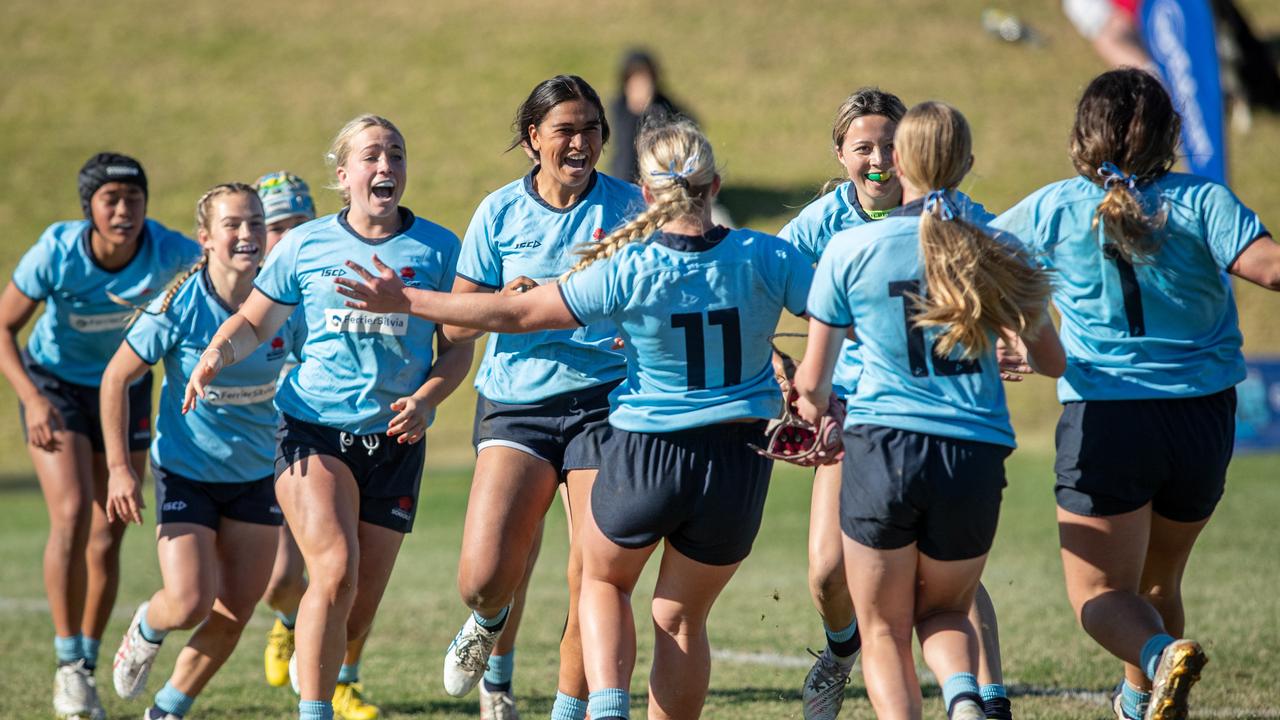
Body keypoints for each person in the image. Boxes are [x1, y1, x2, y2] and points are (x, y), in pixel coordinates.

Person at [334, 112, 815, 720]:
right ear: (715, 185)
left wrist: (404, 298)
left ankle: (597, 709)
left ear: (643, 194)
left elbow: (518, 316)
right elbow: (839, 309)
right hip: (736, 466)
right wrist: (815, 385)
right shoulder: (767, 254)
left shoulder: (629, 268)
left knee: (601, 582)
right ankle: (547, 678)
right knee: (681, 617)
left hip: (647, 449)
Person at [992, 68, 1280, 720]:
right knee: (1157, 582)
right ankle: (1139, 702)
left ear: (1082, 135)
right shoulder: (1203, 200)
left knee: (1098, 595)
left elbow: (961, 258)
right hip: (1203, 422)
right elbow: (1271, 268)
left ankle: (1155, 663)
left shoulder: (1054, 205)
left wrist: (1007, 331)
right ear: (1169, 133)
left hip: (1108, 419)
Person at [184, 114, 472, 720]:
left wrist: (425, 401)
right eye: (370, 156)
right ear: (344, 176)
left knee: (356, 609)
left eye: (395, 153)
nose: (385, 165)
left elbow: (458, 346)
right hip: (314, 429)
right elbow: (256, 321)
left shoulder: (441, 248)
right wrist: (217, 352)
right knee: (335, 571)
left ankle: (315, 655)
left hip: (396, 439)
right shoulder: (304, 245)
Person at [794, 101, 1065, 720]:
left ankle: (985, 698)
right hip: (971, 444)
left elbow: (813, 377)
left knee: (885, 626)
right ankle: (965, 697)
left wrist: (807, 403)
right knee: (940, 603)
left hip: (880, 439)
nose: (877, 159)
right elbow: (1053, 361)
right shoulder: (996, 244)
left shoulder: (855, 247)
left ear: (904, 161)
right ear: (966, 164)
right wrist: (1015, 337)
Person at [421, 74, 641, 720]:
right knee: (483, 575)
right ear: (531, 140)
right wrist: (506, 304)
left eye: (592, 129)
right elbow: (455, 325)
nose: (581, 143)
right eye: (565, 130)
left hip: (606, 401)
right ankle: (488, 623)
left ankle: (572, 709)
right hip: (517, 404)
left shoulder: (631, 205)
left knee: (594, 569)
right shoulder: (498, 212)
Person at [0, 152, 199, 720]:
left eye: (133, 199)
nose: (123, 210)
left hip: (128, 387)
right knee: (70, 515)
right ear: (88, 207)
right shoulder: (58, 251)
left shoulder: (169, 251)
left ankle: (85, 664)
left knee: (111, 525)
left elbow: (225, 268)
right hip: (55, 387)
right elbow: (3, 325)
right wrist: (33, 398)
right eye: (110, 200)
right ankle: (67, 665)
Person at [103, 183, 302, 719]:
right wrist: (121, 469)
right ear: (206, 238)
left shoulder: (285, 300)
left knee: (234, 610)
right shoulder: (177, 305)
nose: (248, 235)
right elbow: (116, 379)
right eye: (234, 224)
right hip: (187, 471)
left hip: (258, 473)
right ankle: (147, 624)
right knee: (189, 601)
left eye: (256, 223)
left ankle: (167, 708)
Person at [253, 171, 383, 720]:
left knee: (347, 574)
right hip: (261, 450)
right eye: (277, 226)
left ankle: (342, 681)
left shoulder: (327, 278)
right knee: (282, 579)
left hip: (326, 441)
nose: (288, 236)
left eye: (299, 223)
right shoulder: (248, 290)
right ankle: (289, 622)